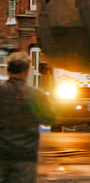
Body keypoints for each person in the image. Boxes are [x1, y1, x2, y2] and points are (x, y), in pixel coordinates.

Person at [0, 52, 56, 182]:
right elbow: (49, 119)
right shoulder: (36, 95)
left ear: (8, 70)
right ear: (27, 71)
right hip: (25, 155)